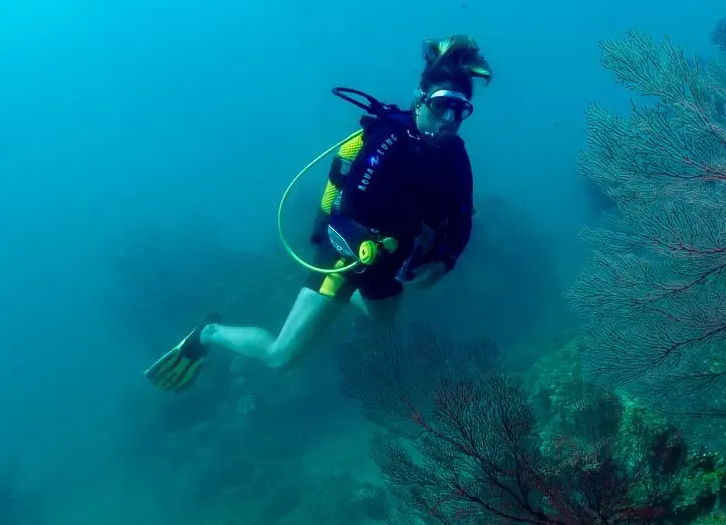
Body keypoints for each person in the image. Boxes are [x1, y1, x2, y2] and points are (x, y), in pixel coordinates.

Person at [145, 35, 492, 392]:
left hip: (388, 261)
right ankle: (208, 334)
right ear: (420, 100)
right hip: (344, 257)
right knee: (282, 357)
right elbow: (344, 215)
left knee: (385, 325)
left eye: (460, 110)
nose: (449, 120)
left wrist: (444, 259)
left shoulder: (455, 157)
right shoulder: (387, 141)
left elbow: (463, 217)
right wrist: (372, 246)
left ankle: (347, 302)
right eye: (440, 106)